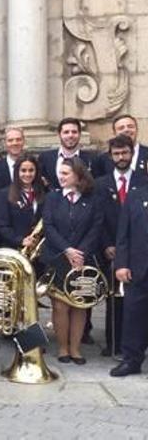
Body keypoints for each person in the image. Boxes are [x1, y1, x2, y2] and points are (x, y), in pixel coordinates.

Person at [41, 158, 101, 365]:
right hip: (59, 257)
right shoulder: (53, 197)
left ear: (78, 175)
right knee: (60, 306)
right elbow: (48, 226)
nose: (61, 176)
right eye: (60, 172)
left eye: (66, 173)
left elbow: (96, 227)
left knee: (80, 305)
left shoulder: (92, 199)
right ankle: (63, 347)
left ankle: (76, 349)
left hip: (84, 260)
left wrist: (80, 253)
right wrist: (67, 250)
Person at [95, 135, 145, 357]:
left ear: (131, 154)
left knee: (136, 302)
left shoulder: (142, 182)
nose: (121, 157)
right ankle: (113, 343)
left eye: (125, 153)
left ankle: (137, 344)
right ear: (110, 156)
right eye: (116, 153)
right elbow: (97, 218)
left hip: (139, 250)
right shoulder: (100, 184)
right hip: (110, 249)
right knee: (114, 299)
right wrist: (106, 244)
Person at [110, 164, 148, 377]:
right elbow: (123, 233)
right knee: (134, 316)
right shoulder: (135, 196)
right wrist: (122, 264)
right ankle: (131, 360)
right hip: (138, 267)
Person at [38, 118, 101, 190]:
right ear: (59, 134)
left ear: (80, 134)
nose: (70, 135)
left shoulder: (92, 159)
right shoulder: (45, 158)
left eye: (74, 132)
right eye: (66, 132)